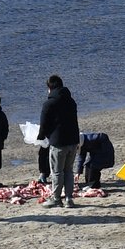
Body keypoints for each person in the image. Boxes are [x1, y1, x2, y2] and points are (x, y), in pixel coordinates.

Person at [38, 75, 81, 208]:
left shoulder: (49, 104)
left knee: (57, 171)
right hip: (73, 141)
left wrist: (41, 136)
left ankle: (56, 198)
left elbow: (43, 124)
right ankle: (69, 198)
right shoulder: (71, 101)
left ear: (50, 88)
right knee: (68, 171)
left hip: (58, 142)